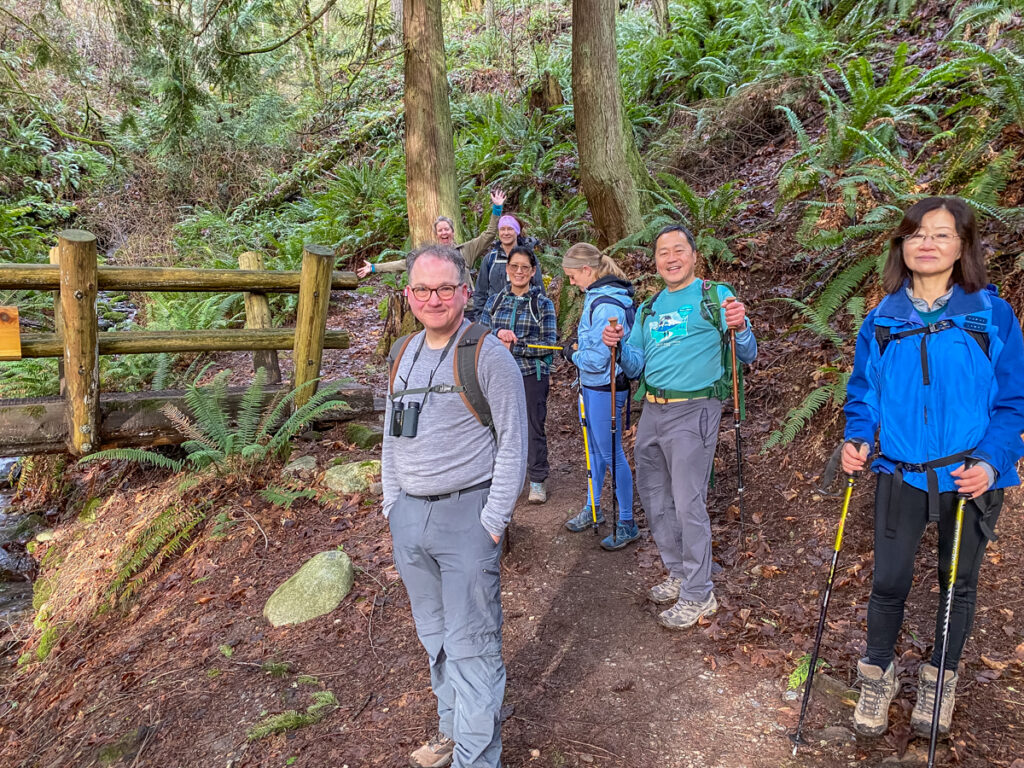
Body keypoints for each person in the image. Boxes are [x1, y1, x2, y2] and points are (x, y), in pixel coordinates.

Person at [840, 196, 1024, 738]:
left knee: (956, 583)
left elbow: (1013, 402)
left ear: (962, 247)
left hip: (968, 477)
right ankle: (878, 672)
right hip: (899, 473)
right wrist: (858, 437)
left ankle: (940, 677)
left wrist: (993, 461)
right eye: (917, 233)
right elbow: (863, 394)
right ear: (901, 243)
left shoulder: (991, 315)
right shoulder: (881, 319)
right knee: (889, 581)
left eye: (941, 234)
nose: (927, 243)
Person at [382, 245, 527, 768]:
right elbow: (390, 437)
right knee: (436, 637)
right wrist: (391, 503)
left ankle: (476, 756)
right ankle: (451, 730)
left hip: (468, 515)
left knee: (472, 645)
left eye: (445, 288)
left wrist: (492, 522)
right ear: (409, 295)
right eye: (422, 289)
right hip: (410, 519)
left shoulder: (487, 354)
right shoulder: (404, 352)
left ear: (466, 291)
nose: (434, 298)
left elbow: (514, 441)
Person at [603, 225, 756, 628]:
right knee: (655, 498)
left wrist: (741, 326)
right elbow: (635, 365)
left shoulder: (714, 296)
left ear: (693, 254)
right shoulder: (650, 308)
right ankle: (679, 572)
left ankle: (699, 593)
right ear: (655, 261)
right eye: (662, 252)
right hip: (652, 410)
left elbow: (748, 352)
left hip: (695, 410)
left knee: (688, 502)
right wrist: (617, 346)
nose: (670, 258)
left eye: (678, 250)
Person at [561, 242, 640, 551]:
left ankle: (627, 522)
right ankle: (594, 508)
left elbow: (597, 359)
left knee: (611, 454)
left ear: (586, 270)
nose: (571, 283)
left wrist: (572, 355)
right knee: (595, 451)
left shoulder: (606, 304)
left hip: (605, 387)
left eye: (572, 276)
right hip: (595, 386)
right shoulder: (598, 297)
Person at [480, 246, 557, 504]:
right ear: (507, 269)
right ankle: (500, 480)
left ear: (533, 271)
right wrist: (496, 335)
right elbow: (479, 335)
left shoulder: (543, 304)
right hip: (496, 376)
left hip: (530, 375)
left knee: (532, 426)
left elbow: (549, 345)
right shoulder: (494, 302)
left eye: (525, 267)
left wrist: (515, 346)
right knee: (494, 427)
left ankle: (537, 480)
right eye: (514, 267)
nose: (519, 272)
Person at [357, 188, 507, 278]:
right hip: (440, 309)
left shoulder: (466, 250)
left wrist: (497, 208)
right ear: (436, 234)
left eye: (446, 229)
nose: (443, 233)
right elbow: (404, 264)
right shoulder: (429, 255)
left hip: (466, 307)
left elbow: (489, 234)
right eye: (440, 230)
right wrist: (374, 267)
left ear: (453, 232)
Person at [466, 214, 543, 322]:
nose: (506, 233)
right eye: (502, 229)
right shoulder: (490, 259)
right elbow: (480, 293)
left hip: (524, 320)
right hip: (495, 320)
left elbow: (539, 288)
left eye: (510, 229)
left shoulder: (529, 257)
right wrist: (480, 321)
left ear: (517, 231)